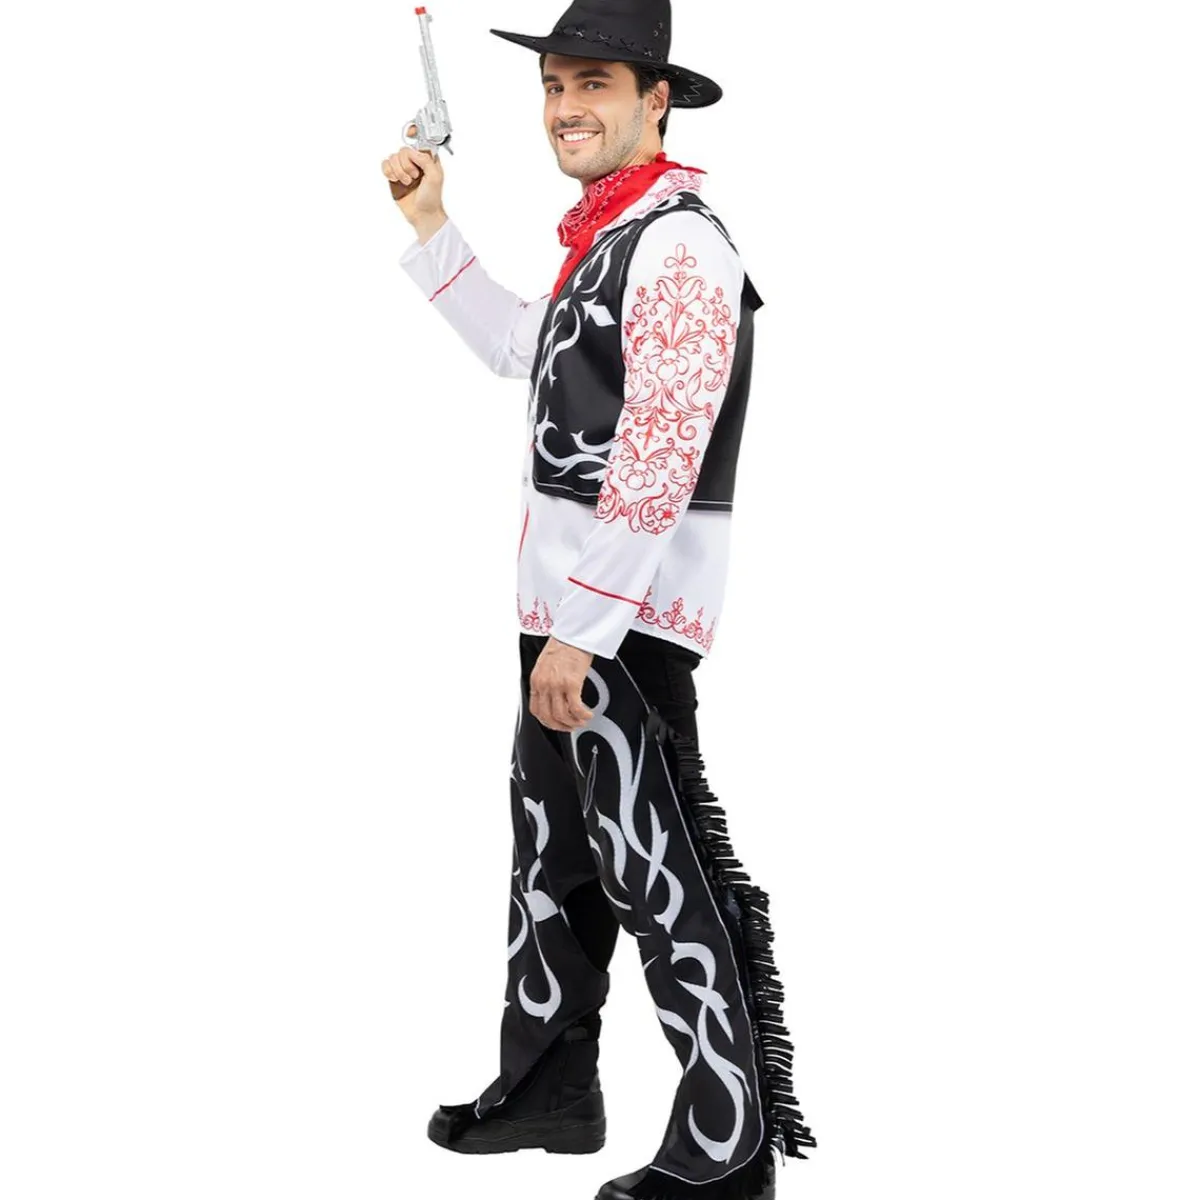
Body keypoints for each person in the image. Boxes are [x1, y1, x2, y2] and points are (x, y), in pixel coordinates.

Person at [381, 3, 815, 1197]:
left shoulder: (680, 247)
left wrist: (580, 635)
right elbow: (526, 349)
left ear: (655, 99)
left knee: (659, 870)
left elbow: (659, 456)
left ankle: (728, 1148)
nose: (565, 107)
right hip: (566, 618)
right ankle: (551, 1092)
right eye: (554, 85)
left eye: (594, 85)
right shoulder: (613, 238)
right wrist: (431, 228)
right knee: (555, 859)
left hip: (615, 628)